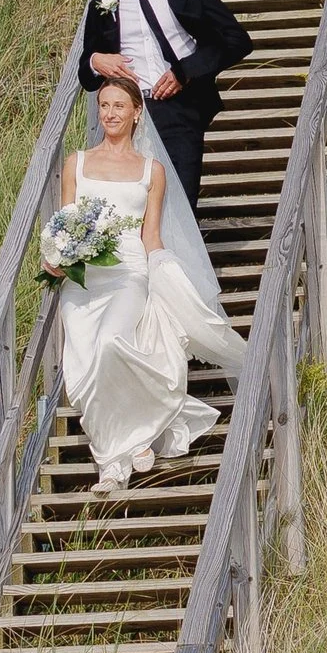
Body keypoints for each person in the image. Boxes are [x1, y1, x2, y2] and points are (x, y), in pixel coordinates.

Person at [53, 75, 249, 495]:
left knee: (111, 344)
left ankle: (130, 444)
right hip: (83, 278)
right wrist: (55, 258)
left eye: (119, 106)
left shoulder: (151, 171)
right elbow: (64, 224)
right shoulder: (77, 163)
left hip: (127, 273)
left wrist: (173, 281)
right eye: (104, 105)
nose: (109, 113)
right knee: (82, 371)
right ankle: (115, 461)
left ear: (136, 112)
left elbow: (151, 237)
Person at [76, 0, 253, 210]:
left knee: (181, 201)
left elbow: (237, 41)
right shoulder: (103, 6)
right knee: (132, 205)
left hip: (180, 108)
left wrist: (185, 71)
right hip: (128, 117)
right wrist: (96, 60)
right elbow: (85, 73)